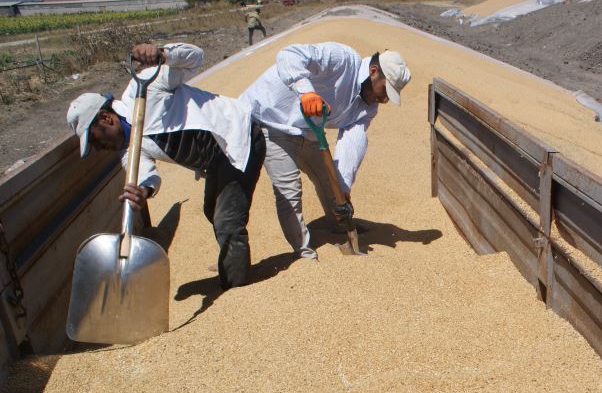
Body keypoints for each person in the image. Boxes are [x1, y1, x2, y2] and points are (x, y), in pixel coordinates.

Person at [66, 42, 265, 289]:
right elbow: (146, 178)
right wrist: (143, 191)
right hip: (215, 159)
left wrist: (164, 53)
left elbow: (196, 58)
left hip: (238, 137)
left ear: (106, 118)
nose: (98, 147)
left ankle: (237, 287)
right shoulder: (130, 150)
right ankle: (232, 259)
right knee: (211, 210)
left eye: (94, 138)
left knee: (227, 220)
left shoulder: (147, 85)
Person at [240, 42, 411, 259]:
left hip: (308, 131)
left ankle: (341, 228)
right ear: (374, 72)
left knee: (333, 191)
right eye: (385, 91)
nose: (384, 99)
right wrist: (306, 93)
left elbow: (353, 138)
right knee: (290, 190)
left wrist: (343, 185)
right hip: (271, 119)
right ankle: (304, 256)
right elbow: (289, 54)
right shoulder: (342, 59)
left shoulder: (368, 107)